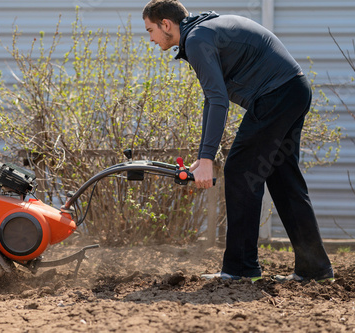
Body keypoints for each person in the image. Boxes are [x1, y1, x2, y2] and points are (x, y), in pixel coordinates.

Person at [142, 0, 334, 282]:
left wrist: (208, 159)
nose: (150, 38)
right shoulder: (204, 31)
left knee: (240, 172)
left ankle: (241, 269)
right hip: (294, 90)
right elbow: (213, 99)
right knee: (283, 178)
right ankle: (315, 269)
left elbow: (218, 100)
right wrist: (203, 155)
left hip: (276, 95)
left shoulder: (196, 39)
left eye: (150, 30)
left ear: (166, 24)